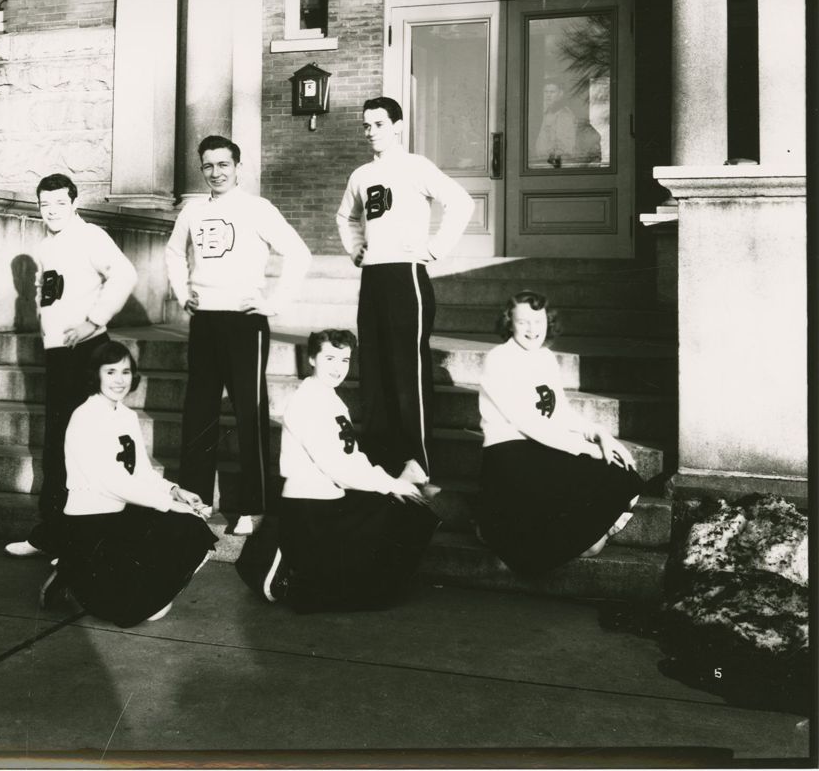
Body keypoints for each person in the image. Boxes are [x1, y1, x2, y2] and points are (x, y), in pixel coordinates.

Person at [165, 135, 311, 536]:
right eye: (208, 166)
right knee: (199, 411)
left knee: (250, 413)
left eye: (223, 165)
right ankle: (195, 499)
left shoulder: (257, 209)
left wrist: (273, 302)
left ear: (237, 167)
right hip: (205, 321)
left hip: (245, 322)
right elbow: (174, 254)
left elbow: (299, 253)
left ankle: (254, 505)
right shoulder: (192, 211)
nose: (216, 173)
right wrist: (182, 294)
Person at [236, 329, 440, 613]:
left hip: (331, 499)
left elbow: (352, 458)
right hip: (310, 509)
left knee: (409, 508)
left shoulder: (331, 399)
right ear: (311, 358)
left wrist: (393, 482)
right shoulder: (307, 400)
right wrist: (391, 484)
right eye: (329, 357)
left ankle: (360, 583)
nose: (337, 367)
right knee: (399, 510)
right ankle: (291, 557)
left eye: (344, 360)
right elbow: (336, 466)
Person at [335, 96, 474, 483]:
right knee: (375, 368)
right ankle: (380, 457)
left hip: (407, 276)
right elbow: (344, 216)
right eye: (366, 125)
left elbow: (460, 203)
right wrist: (354, 248)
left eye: (378, 124)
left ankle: (418, 460)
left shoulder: (416, 166)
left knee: (407, 369)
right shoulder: (361, 174)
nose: (371, 132)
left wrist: (434, 249)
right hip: (374, 277)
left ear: (397, 125)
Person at [5, 173, 138, 558]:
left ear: (75, 203)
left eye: (60, 203)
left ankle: (83, 537)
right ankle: (52, 532)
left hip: (90, 350)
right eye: (46, 205)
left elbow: (124, 273)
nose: (53, 211)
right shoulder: (48, 245)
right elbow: (46, 293)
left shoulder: (91, 235)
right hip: (59, 353)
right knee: (57, 443)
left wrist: (94, 319)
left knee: (85, 444)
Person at [39, 341, 217, 626]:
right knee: (136, 611)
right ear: (95, 374)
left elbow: (141, 473)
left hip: (121, 516)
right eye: (110, 372)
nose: (120, 380)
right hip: (90, 524)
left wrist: (175, 491)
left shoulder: (127, 415)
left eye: (125, 371)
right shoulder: (85, 416)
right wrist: (169, 505)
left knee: (192, 530)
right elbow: (112, 482)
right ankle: (73, 568)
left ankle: (75, 570)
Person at [475, 290, 642, 576]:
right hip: (509, 454)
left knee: (625, 474)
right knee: (591, 515)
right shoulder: (499, 359)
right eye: (523, 322)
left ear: (548, 322)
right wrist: (583, 448)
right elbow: (528, 423)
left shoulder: (546, 358)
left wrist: (600, 435)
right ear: (509, 322)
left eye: (538, 321)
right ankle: (492, 527)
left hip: (543, 446)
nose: (532, 330)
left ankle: (586, 536)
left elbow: (559, 412)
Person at [533, 80, 576, 168]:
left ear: (560, 94)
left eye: (552, 92)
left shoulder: (564, 115)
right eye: (546, 92)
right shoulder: (547, 113)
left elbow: (563, 148)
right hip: (542, 163)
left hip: (554, 167)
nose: (548, 95)